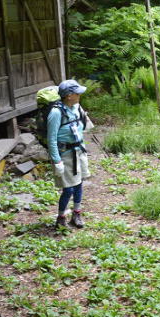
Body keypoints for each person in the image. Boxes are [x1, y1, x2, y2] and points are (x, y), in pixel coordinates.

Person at [47, 79, 91, 228]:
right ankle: (61, 217)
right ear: (68, 95)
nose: (80, 95)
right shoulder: (55, 113)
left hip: (79, 152)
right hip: (65, 155)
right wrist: (57, 161)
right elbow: (51, 139)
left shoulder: (76, 107)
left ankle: (76, 214)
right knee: (68, 189)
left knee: (79, 185)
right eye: (77, 92)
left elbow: (82, 129)